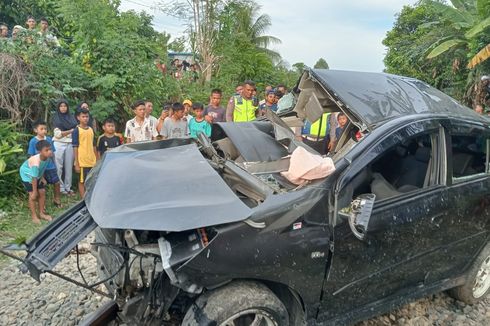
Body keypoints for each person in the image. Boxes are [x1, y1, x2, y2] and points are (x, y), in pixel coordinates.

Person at [27, 120, 62, 208]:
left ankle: (57, 199)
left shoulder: (49, 139)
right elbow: (31, 155)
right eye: (41, 129)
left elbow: (53, 153)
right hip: (38, 168)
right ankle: (42, 204)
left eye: (45, 129)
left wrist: (55, 165)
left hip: (50, 166)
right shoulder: (33, 141)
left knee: (57, 182)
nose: (44, 131)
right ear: (36, 130)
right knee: (41, 187)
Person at [19, 140, 53, 224]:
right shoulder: (35, 162)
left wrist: (42, 178)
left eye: (50, 149)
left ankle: (41, 213)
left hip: (36, 175)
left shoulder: (47, 157)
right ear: (39, 152)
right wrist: (34, 191)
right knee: (33, 195)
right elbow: (34, 178)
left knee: (42, 191)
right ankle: (34, 216)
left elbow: (42, 168)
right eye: (46, 150)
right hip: (27, 175)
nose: (49, 152)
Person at [52, 99, 77, 196]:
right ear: (58, 107)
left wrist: (65, 133)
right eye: (61, 106)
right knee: (58, 167)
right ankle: (61, 188)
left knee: (69, 167)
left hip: (70, 143)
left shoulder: (72, 118)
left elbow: (75, 130)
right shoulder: (56, 118)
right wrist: (70, 131)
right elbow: (57, 135)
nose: (63, 108)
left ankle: (68, 187)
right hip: (58, 143)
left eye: (65, 106)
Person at [72, 108, 97, 198]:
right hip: (82, 161)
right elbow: (75, 146)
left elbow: (94, 145)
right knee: (82, 181)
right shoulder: (76, 131)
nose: (85, 118)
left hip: (92, 160)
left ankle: (91, 197)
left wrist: (97, 159)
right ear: (78, 117)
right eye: (83, 116)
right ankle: (83, 199)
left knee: (91, 180)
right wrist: (77, 163)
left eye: (87, 116)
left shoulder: (91, 129)